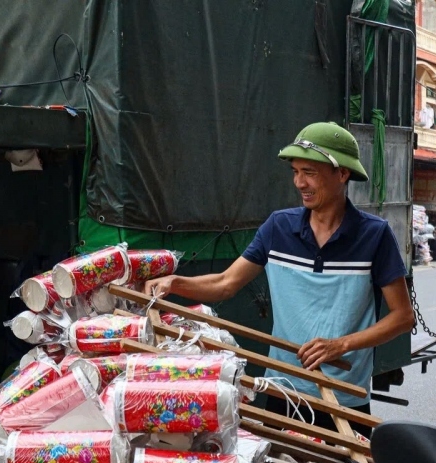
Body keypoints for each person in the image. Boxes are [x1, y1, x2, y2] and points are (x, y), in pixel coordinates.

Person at [145, 122, 414, 434]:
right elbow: (225, 283)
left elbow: (402, 316)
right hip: (283, 389)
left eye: (310, 172)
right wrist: (176, 283)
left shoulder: (374, 235)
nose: (300, 182)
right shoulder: (278, 228)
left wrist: (341, 345)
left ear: (342, 174)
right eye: (296, 171)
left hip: (344, 397)